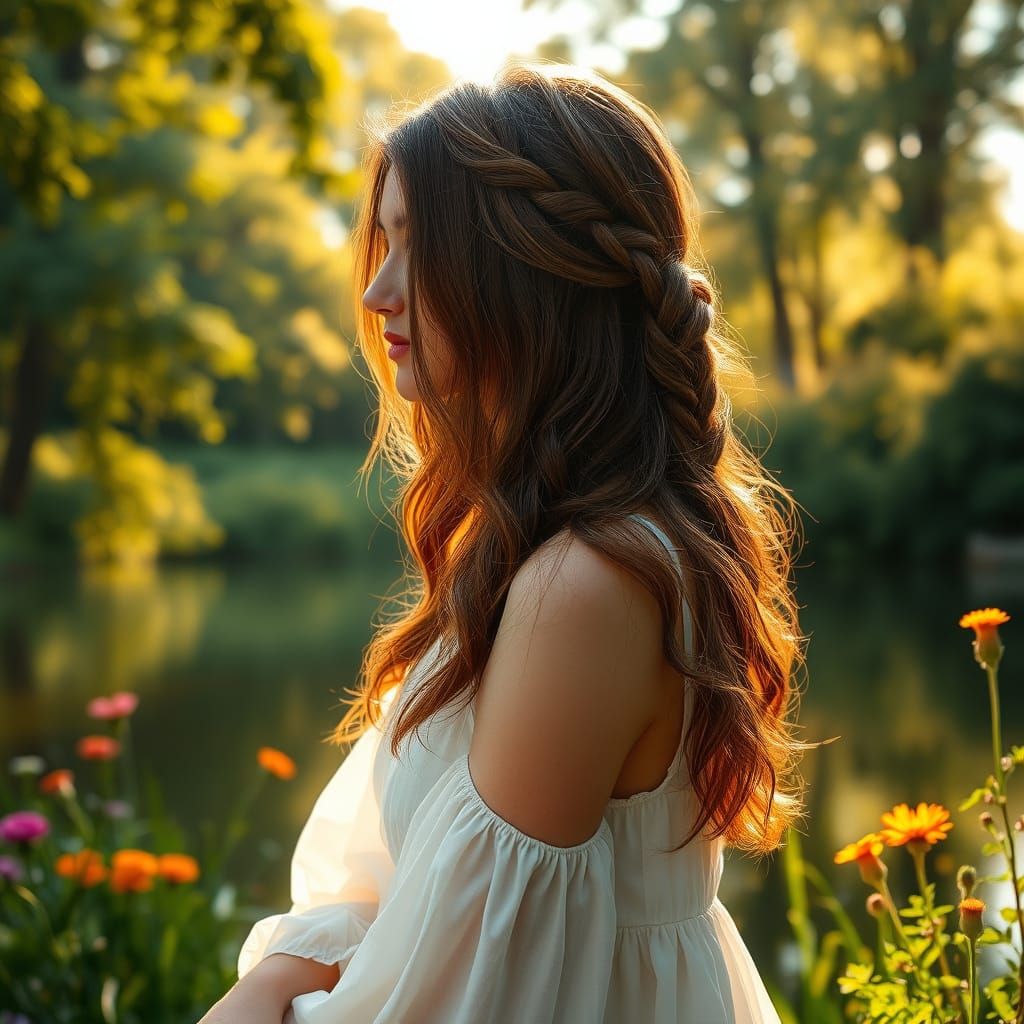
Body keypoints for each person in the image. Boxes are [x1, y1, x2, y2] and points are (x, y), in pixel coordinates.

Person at [199, 59, 819, 1024]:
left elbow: (466, 1002)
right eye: (384, 243)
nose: (379, 294)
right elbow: (417, 913)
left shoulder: (587, 586)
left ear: (524, 271)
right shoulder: (559, 550)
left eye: (418, 247)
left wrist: (266, 995)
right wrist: (287, 971)